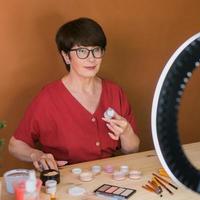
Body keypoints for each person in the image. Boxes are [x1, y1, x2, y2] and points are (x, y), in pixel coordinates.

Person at [9, 17, 140, 171]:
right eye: (82, 51)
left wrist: (126, 132)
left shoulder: (114, 91)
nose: (91, 58)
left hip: (109, 178)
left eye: (96, 50)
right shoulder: (48, 98)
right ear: (66, 56)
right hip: (67, 182)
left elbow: (132, 150)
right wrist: (36, 155)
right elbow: (15, 145)